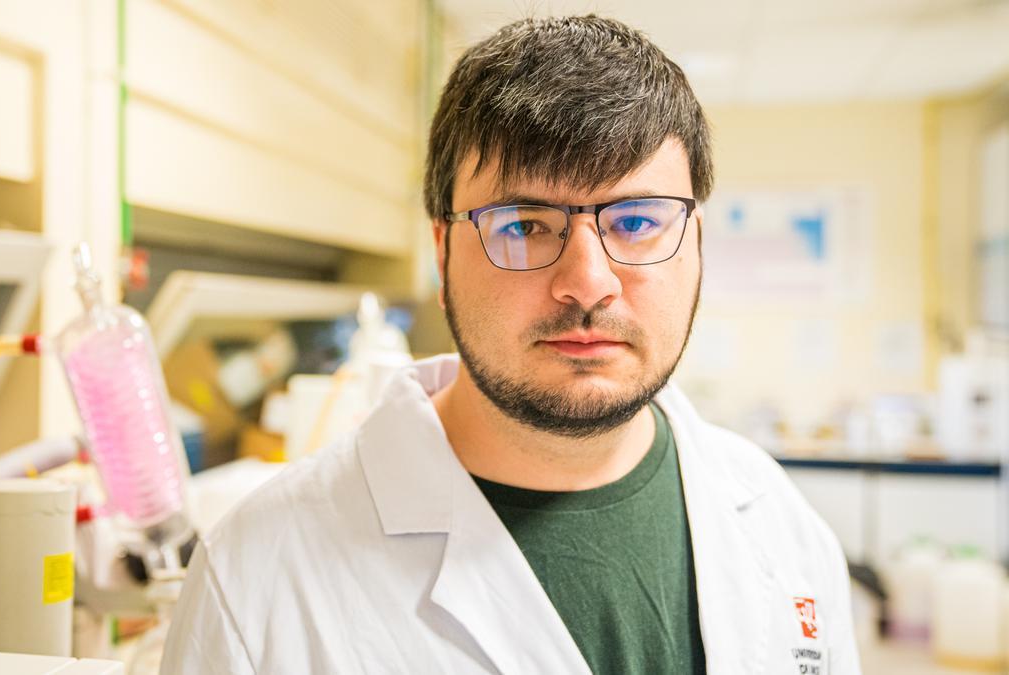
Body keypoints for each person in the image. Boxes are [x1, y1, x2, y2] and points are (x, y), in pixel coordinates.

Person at [162, 15, 860, 675]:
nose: (587, 283)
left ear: (696, 245)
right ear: (443, 255)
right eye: (523, 225)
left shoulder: (783, 524)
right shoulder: (254, 576)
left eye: (638, 220)